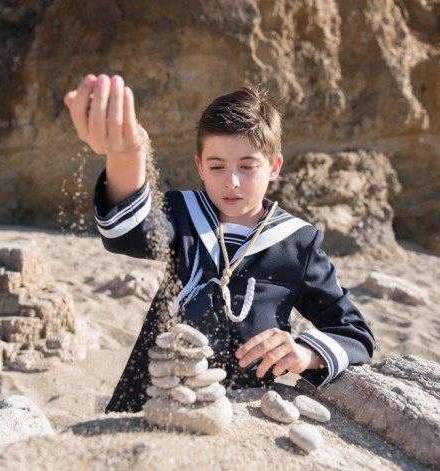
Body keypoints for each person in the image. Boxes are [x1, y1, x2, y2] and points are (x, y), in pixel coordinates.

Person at [64, 74, 376, 413]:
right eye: (216, 166)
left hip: (241, 412)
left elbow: (355, 333)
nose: (231, 181)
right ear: (199, 166)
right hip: (152, 398)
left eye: (247, 165)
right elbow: (126, 233)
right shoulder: (183, 215)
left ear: (274, 166)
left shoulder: (297, 243)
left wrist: (305, 353)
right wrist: (125, 155)